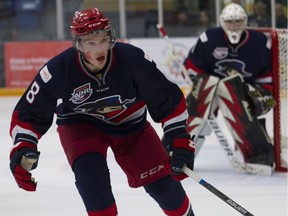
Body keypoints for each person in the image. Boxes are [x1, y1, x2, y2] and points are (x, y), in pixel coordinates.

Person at [8, 7, 196, 216]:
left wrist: (178, 138)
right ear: (78, 44)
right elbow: (29, 113)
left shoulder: (134, 61)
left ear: (110, 37)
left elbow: (167, 101)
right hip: (80, 126)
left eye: (103, 39)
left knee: (165, 189)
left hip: (132, 126)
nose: (99, 49)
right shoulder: (58, 70)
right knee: (93, 186)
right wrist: (23, 147)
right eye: (91, 42)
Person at [183, 3, 275, 172]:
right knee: (196, 99)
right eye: (230, 22)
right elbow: (192, 66)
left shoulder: (259, 42)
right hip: (213, 91)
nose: (234, 26)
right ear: (222, 22)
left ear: (245, 21)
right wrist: (199, 80)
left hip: (247, 92)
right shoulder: (209, 38)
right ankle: (174, 152)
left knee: (233, 90)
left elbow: (267, 78)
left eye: (238, 21)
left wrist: (257, 94)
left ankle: (259, 155)